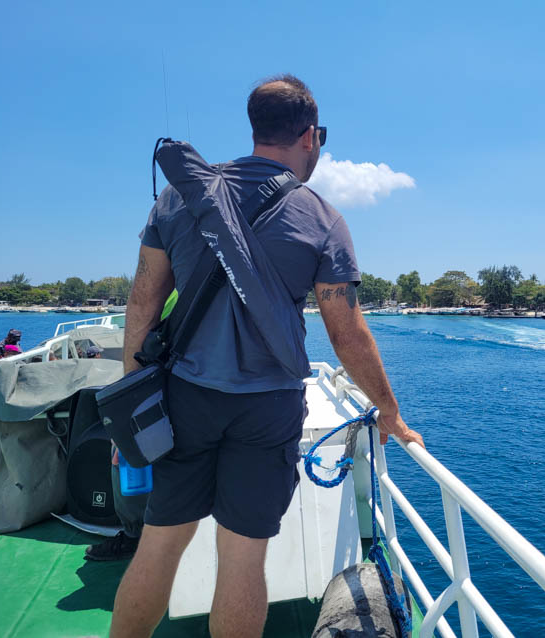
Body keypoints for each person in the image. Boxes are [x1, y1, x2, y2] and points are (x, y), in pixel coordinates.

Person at [110, 75, 424, 638]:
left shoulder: (178, 195)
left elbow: (142, 304)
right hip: (267, 408)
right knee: (242, 557)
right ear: (309, 136)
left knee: (160, 543)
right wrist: (389, 411)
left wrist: (132, 403)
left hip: (184, 400)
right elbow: (347, 334)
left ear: (255, 127)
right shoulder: (323, 218)